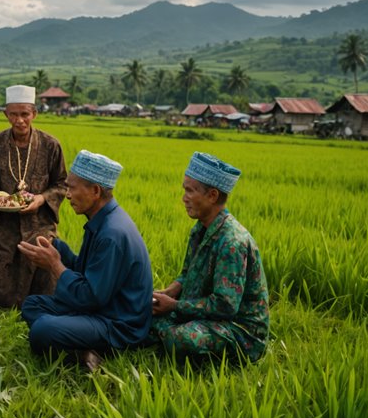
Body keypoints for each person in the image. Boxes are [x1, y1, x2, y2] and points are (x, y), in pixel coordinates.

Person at [19, 151, 152, 372]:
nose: (67, 195)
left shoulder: (112, 233)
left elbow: (90, 297)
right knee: (32, 305)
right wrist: (58, 249)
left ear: (95, 191)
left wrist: (55, 264)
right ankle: (83, 348)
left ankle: (88, 350)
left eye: (72, 188)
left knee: (42, 329)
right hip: (101, 308)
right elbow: (86, 271)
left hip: (118, 322)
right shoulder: (102, 220)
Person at [151, 152, 269, 363]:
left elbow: (225, 306)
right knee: (144, 313)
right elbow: (187, 273)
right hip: (203, 316)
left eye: (190, 191)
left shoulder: (232, 242)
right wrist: (170, 291)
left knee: (180, 337)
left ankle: (170, 339)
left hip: (239, 330)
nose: (184, 198)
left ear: (212, 196)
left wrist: (173, 306)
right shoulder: (199, 230)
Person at [0, 84, 67, 308]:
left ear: (34, 113)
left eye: (25, 114)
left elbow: (62, 183)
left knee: (45, 291)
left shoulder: (51, 145)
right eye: (13, 114)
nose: (19, 120)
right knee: (1, 297)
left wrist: (41, 199)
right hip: (6, 225)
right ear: (6, 114)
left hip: (40, 225)